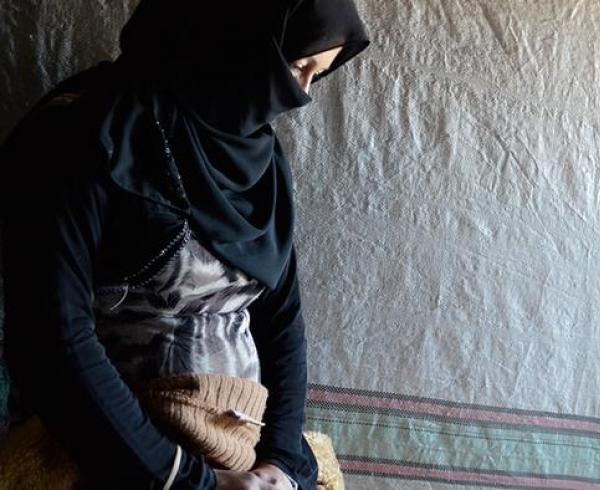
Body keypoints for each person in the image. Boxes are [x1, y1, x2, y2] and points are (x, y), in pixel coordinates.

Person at [0, 0, 369, 488]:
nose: (302, 94)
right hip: (117, 452)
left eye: (315, 75)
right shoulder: (86, 135)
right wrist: (193, 480)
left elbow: (282, 321)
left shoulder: (260, 162)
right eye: (298, 66)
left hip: (244, 447)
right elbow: (52, 339)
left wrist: (279, 462)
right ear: (240, 36)